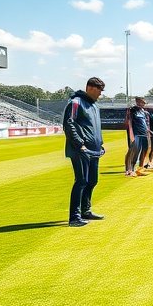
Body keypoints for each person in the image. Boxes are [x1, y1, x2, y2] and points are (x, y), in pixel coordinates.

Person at [63, 77, 106, 227]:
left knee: (92, 180)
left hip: (94, 150)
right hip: (81, 150)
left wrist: (100, 144)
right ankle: (74, 217)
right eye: (99, 90)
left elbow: (95, 127)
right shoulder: (75, 102)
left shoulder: (94, 106)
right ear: (91, 88)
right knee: (81, 181)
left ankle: (85, 211)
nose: (100, 94)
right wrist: (79, 144)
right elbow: (69, 123)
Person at [123, 96, 150, 177]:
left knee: (144, 151)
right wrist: (131, 134)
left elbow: (145, 123)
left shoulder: (143, 112)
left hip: (144, 134)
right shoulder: (132, 111)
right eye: (142, 102)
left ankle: (139, 169)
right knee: (133, 152)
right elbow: (127, 122)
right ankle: (129, 170)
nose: (143, 104)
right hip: (136, 134)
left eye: (144, 102)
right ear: (137, 102)